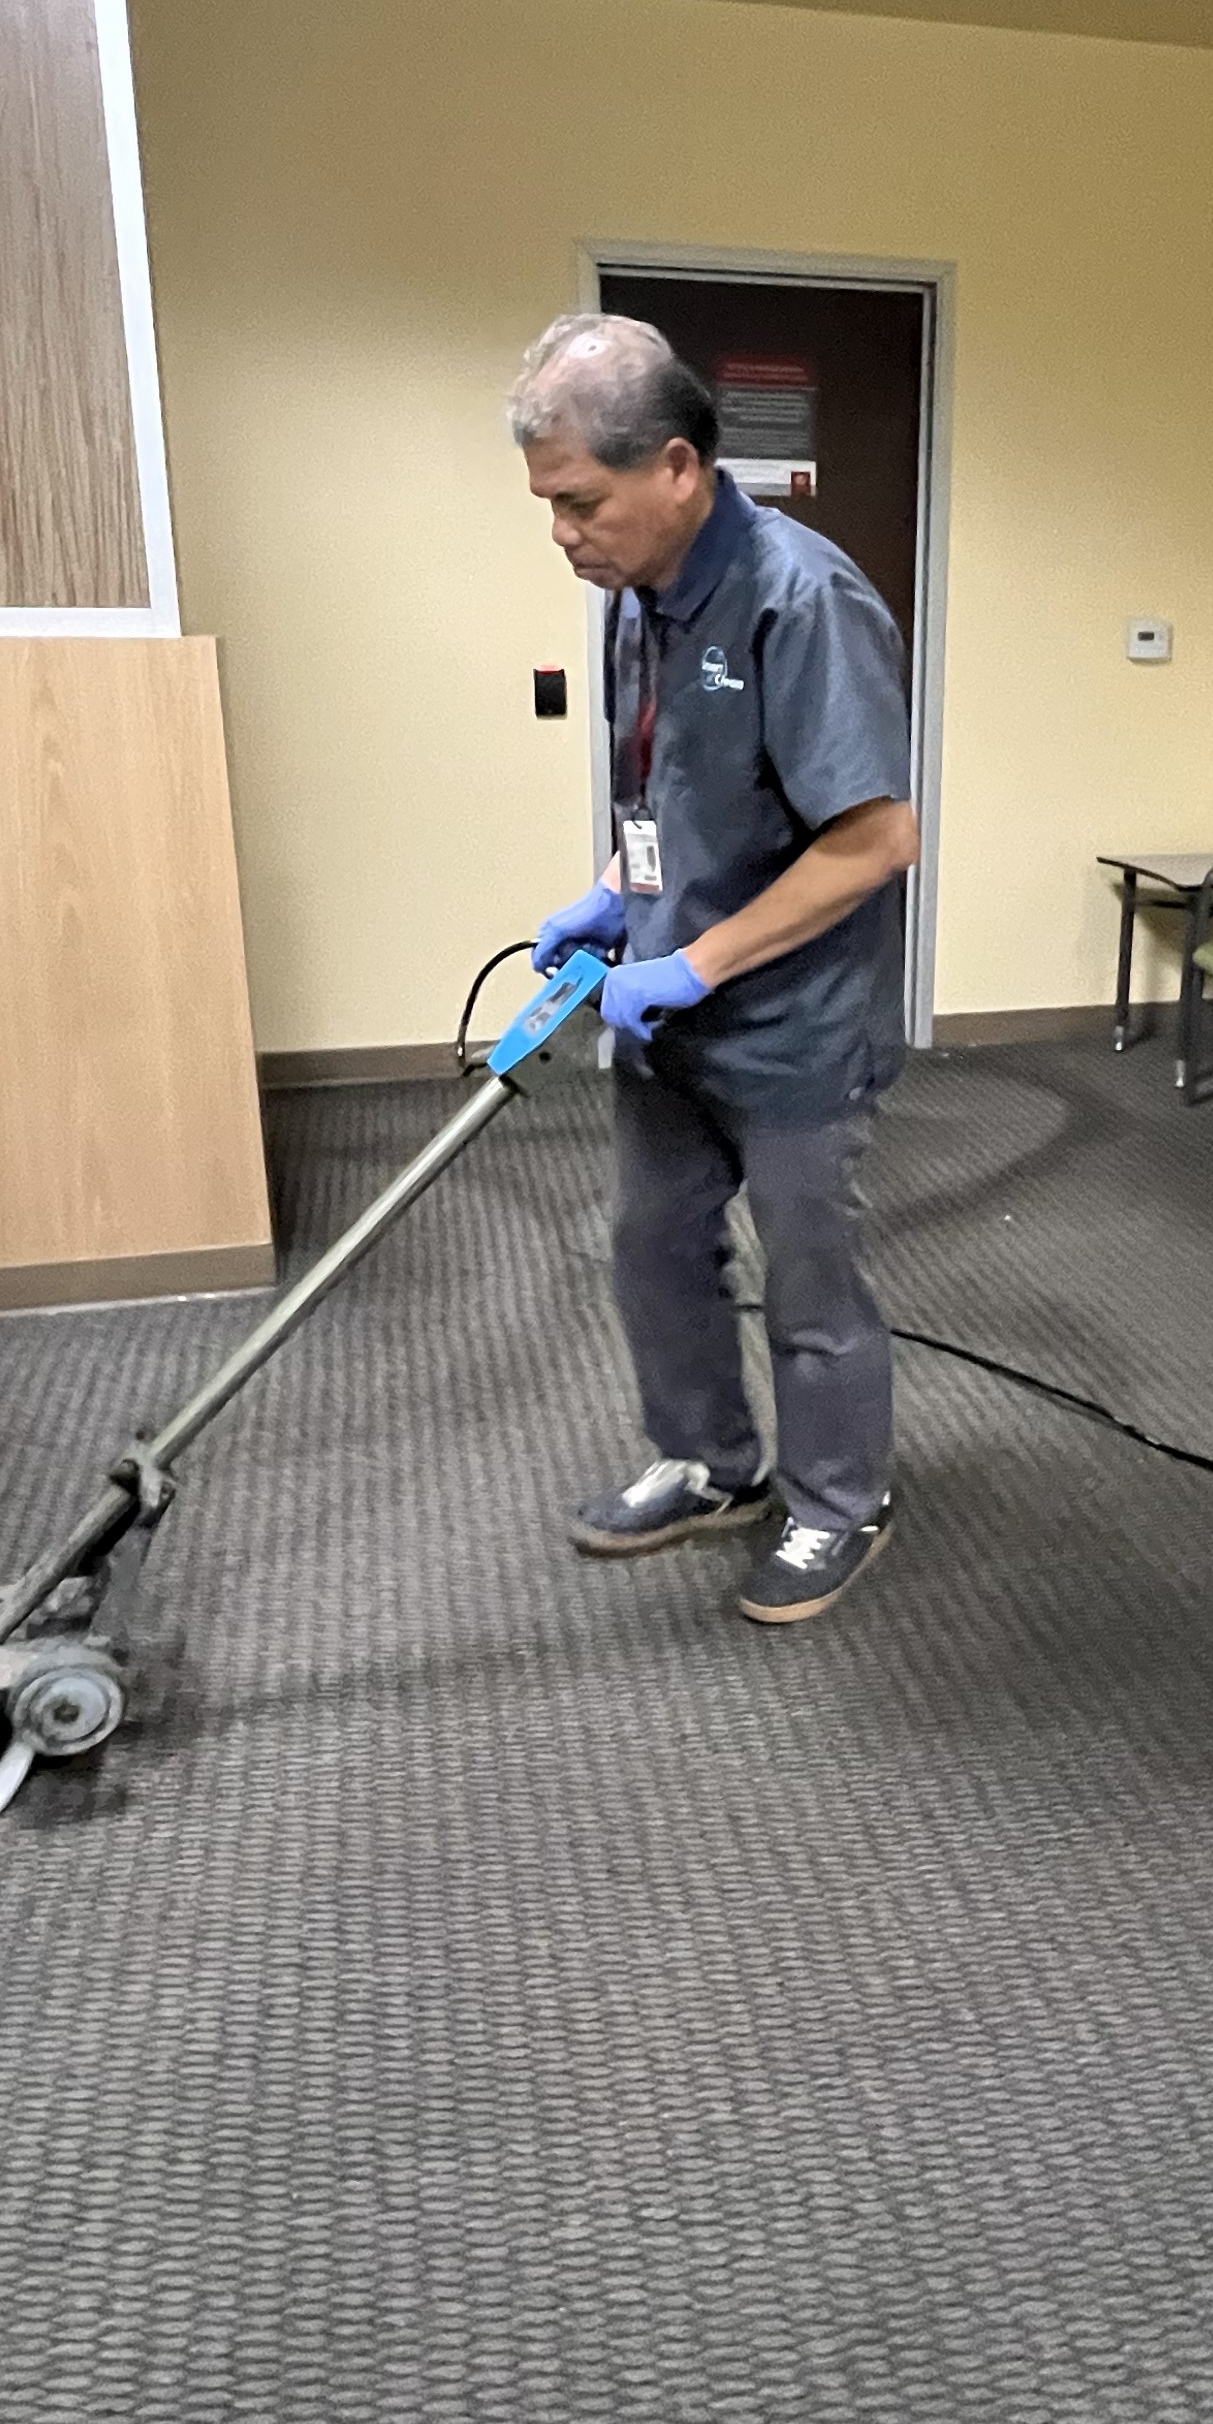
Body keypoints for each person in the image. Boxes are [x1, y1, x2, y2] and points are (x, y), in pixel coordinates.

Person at [509, 311, 919, 1624]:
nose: (563, 534)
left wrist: (694, 964)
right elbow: (653, 788)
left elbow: (872, 842)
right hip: (671, 1008)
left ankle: (838, 1503)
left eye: (582, 502)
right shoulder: (639, 605)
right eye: (548, 506)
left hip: (793, 1019)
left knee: (811, 1279)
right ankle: (712, 1465)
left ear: (676, 468)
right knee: (655, 1248)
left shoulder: (804, 600)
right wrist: (617, 898)